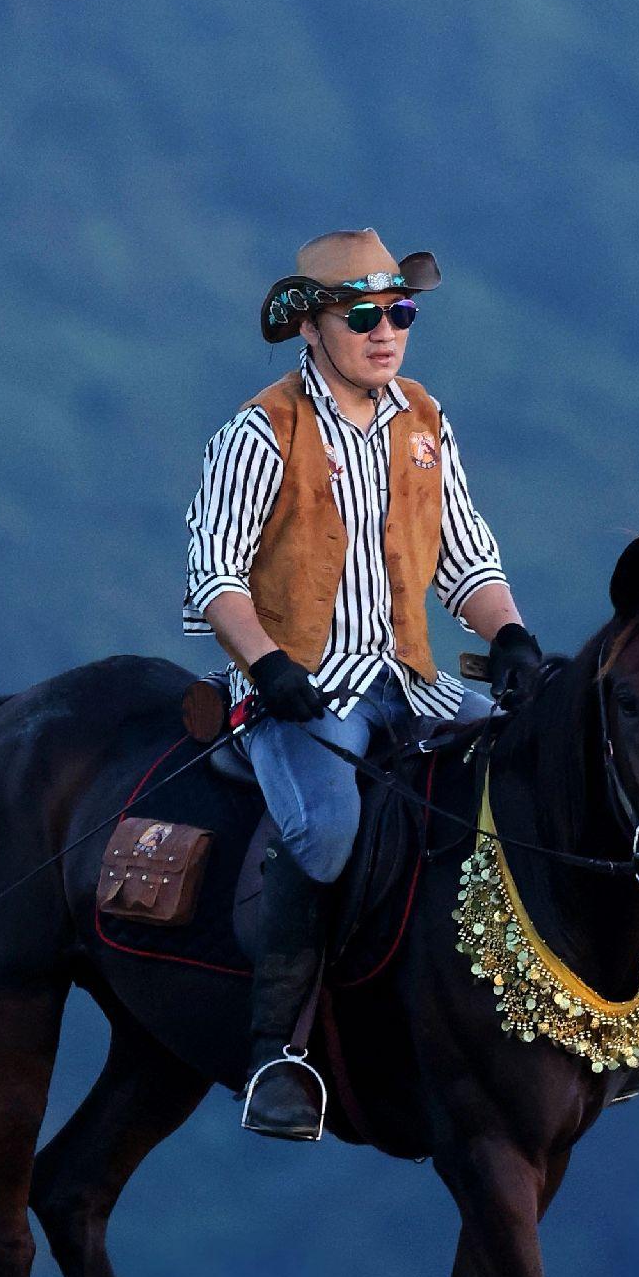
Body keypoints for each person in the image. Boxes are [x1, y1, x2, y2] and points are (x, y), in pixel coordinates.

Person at [183, 229, 543, 1140]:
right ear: (311, 326)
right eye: (364, 315)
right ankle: (277, 1054)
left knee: (534, 761)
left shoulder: (423, 418)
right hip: (302, 693)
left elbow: (466, 556)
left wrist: (511, 637)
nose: (386, 332)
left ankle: (561, 1022)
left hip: (412, 681)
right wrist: (267, 665)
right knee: (331, 828)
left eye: (401, 312)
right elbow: (214, 574)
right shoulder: (261, 429)